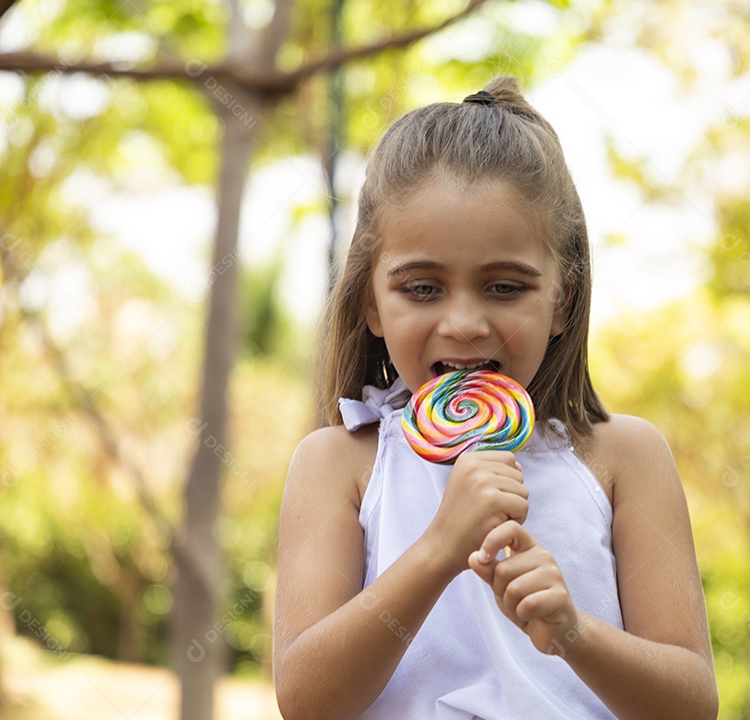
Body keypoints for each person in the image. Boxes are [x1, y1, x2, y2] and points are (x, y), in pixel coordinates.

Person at [273, 76, 718, 720]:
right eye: (421, 288)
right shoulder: (339, 464)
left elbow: (691, 704)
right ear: (372, 302)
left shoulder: (624, 457)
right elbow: (308, 700)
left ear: (561, 300)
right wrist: (439, 549)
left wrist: (574, 633)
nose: (464, 324)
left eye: (504, 287)